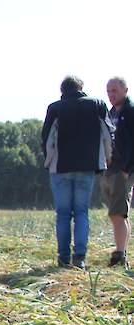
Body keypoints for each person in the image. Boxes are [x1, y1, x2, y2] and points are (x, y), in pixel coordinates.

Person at [41, 75, 112, 269]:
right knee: (81, 212)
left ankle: (63, 257)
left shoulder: (55, 108)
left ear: (62, 90)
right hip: (87, 167)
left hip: (60, 168)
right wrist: (107, 161)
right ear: (81, 87)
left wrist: (48, 161)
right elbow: (108, 134)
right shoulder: (97, 104)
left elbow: (47, 139)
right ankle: (79, 257)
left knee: (63, 213)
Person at [103, 77, 134, 268]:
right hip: (112, 168)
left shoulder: (130, 112)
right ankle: (121, 251)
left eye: (114, 90)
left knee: (118, 213)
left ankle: (120, 255)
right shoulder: (112, 112)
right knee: (118, 214)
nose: (111, 95)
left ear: (125, 90)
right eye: (108, 91)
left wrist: (126, 168)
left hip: (124, 170)